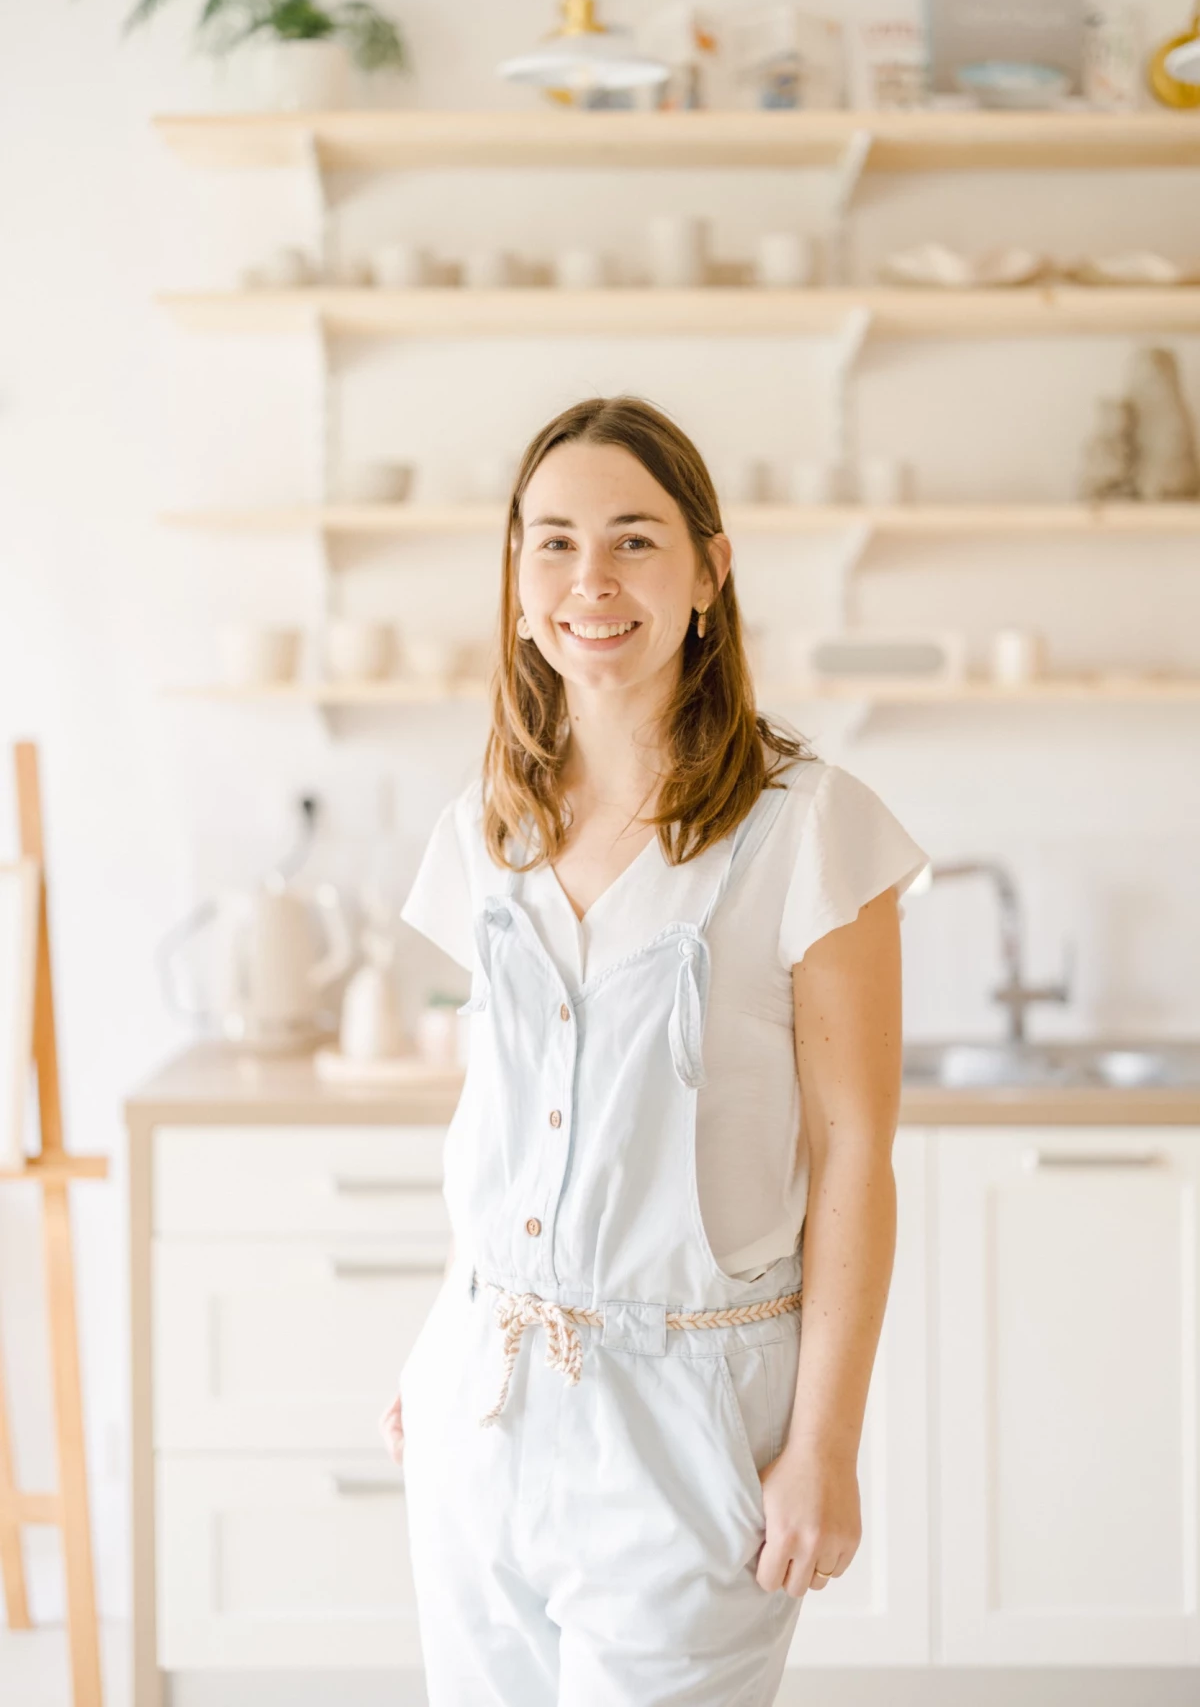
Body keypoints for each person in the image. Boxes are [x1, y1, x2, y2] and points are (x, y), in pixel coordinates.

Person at [379, 395, 927, 1705]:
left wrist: (825, 1446)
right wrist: (443, 1333)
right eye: (555, 543)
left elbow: (856, 1152)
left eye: (634, 539)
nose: (593, 580)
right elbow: (506, 1121)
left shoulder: (809, 828)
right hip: (481, 1398)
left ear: (708, 573)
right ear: (518, 581)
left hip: (691, 1420)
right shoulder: (486, 829)